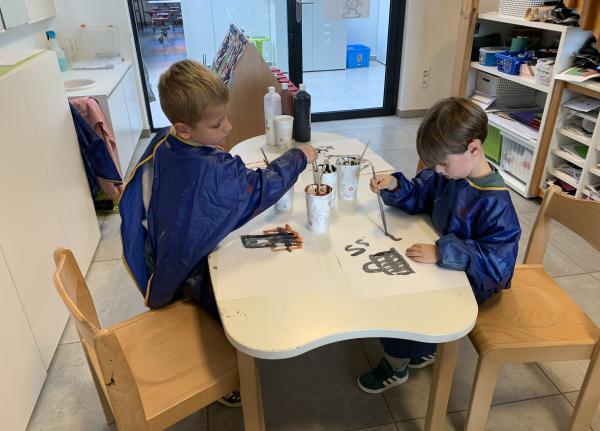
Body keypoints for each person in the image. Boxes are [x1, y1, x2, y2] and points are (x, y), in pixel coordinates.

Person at [120, 60, 317, 404]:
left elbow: (229, 185)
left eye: (225, 117)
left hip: (167, 255)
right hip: (190, 276)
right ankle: (229, 371)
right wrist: (298, 157)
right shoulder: (209, 172)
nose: (228, 126)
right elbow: (259, 188)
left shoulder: (166, 142)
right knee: (248, 285)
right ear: (183, 129)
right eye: (216, 123)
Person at [357, 97, 521, 394]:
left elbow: (499, 266)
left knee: (404, 304)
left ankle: (397, 364)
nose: (437, 169)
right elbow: (421, 194)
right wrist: (396, 185)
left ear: (474, 149)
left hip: (472, 282)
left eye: (443, 163)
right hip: (443, 266)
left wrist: (443, 252)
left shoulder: (495, 201)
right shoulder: (450, 173)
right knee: (388, 282)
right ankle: (422, 348)